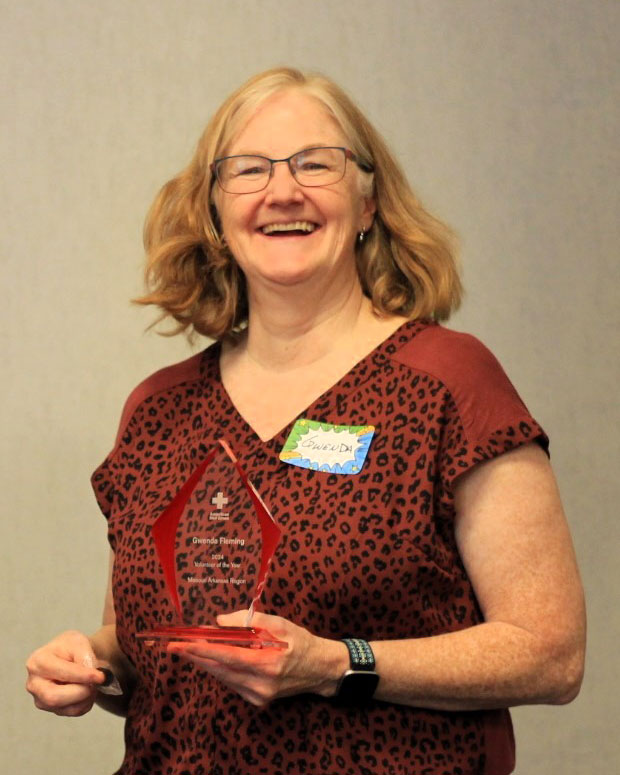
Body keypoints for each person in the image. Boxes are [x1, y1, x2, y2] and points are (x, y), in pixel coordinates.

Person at [26, 67, 585, 775]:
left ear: (369, 202)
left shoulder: (448, 382)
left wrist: (334, 664)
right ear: (216, 212)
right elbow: (147, 655)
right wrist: (94, 665)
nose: (282, 190)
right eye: (249, 169)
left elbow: (551, 653)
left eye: (315, 164)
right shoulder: (158, 412)